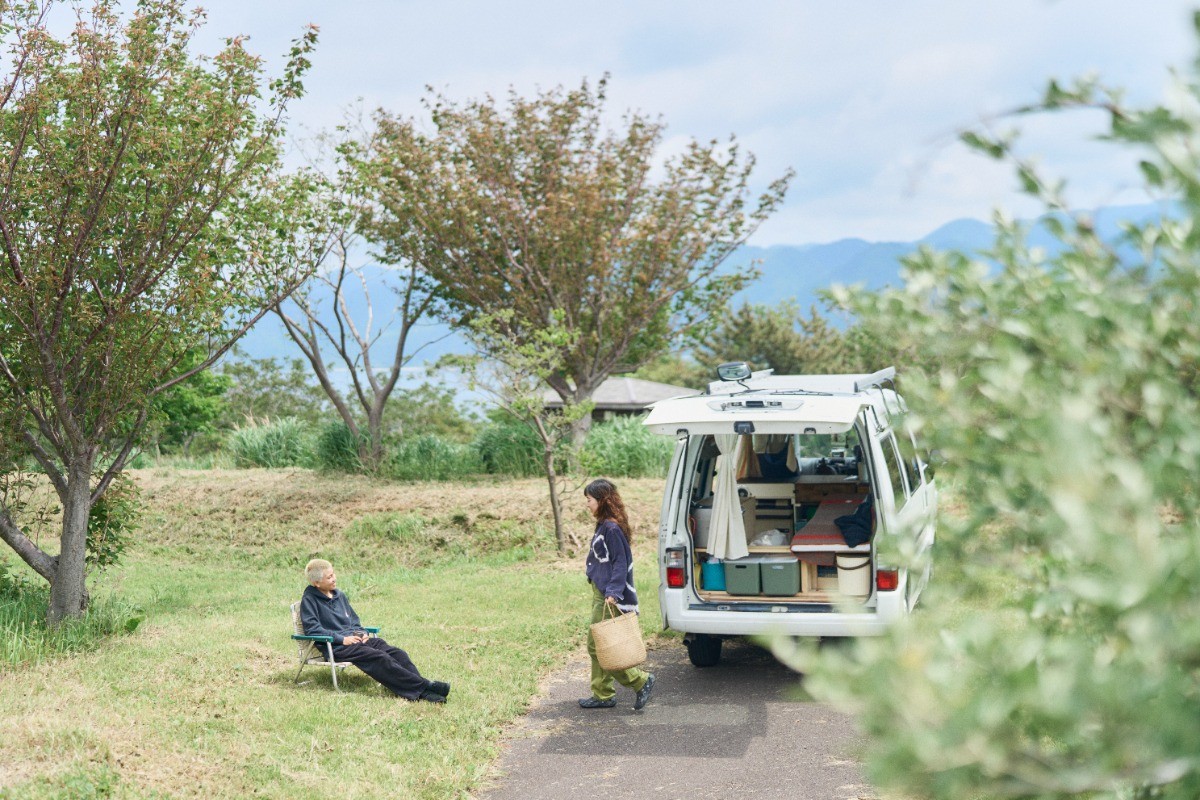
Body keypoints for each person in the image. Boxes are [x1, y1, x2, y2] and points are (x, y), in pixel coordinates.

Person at [300, 559, 449, 703]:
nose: (334, 578)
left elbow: (354, 621)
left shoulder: (339, 595)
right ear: (317, 583)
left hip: (355, 641)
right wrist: (342, 639)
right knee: (379, 657)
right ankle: (424, 689)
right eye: (329, 577)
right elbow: (312, 629)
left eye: (333, 574)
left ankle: (421, 689)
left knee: (397, 653)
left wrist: (362, 633)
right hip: (336, 647)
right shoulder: (310, 600)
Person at [579, 478, 656, 710]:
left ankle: (640, 680)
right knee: (600, 645)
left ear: (602, 500)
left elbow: (621, 563)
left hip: (608, 594)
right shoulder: (604, 525)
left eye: (589, 500)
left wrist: (613, 591)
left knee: (598, 646)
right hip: (601, 591)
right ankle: (603, 694)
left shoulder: (611, 529)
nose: (587, 504)